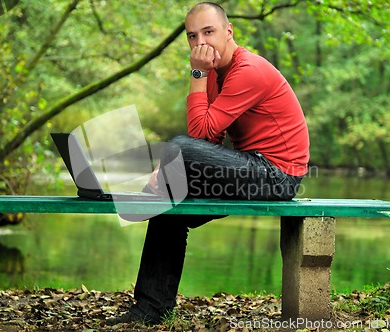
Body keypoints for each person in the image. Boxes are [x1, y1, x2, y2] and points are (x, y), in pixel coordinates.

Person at [106, 1, 309, 325]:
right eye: (192, 36)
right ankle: (149, 310)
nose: (200, 43)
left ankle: (142, 193)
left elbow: (196, 137)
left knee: (179, 146)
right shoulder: (217, 75)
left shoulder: (248, 70)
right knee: (168, 205)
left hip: (276, 175)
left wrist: (197, 73)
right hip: (249, 167)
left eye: (209, 32)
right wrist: (171, 170)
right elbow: (209, 142)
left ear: (229, 32)